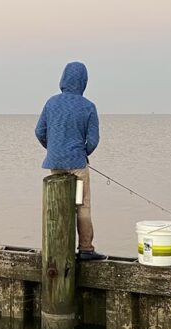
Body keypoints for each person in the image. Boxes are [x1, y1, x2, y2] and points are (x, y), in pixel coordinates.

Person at [35, 61, 107, 261]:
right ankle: (85, 248)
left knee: (58, 203)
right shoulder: (88, 107)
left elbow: (39, 132)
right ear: (84, 82)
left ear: (63, 79)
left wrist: (53, 148)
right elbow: (93, 140)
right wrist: (83, 154)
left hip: (55, 165)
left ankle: (57, 247)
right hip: (77, 166)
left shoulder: (51, 102)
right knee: (81, 204)